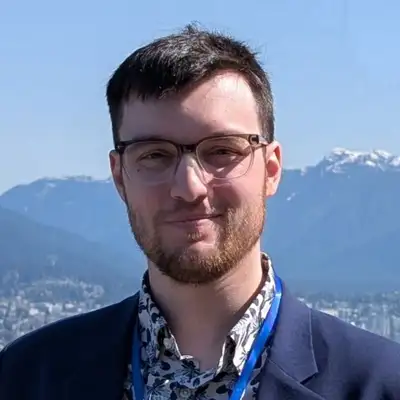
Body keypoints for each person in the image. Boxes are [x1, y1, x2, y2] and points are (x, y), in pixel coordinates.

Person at [1, 24, 400, 400]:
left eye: (222, 151)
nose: (189, 187)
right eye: (154, 155)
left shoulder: (380, 383)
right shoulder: (25, 377)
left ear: (271, 170)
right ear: (120, 177)